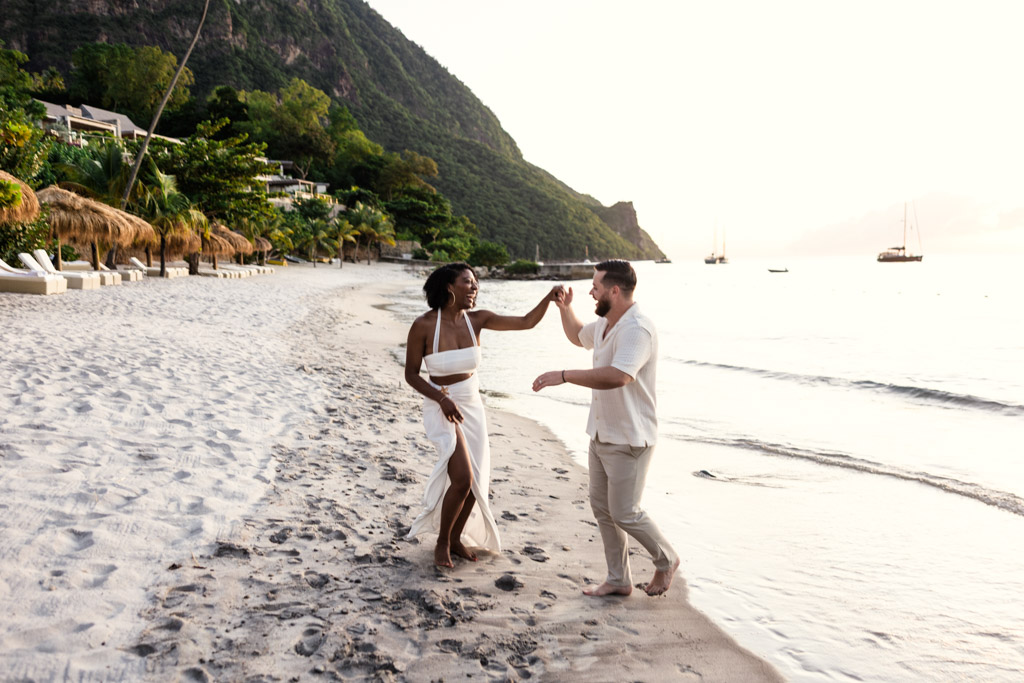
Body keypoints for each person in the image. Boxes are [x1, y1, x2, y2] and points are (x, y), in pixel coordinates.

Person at [532, 259, 679, 596]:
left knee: (625, 512)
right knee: (603, 509)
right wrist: (565, 309)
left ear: (615, 290)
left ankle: (666, 559)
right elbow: (577, 336)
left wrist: (564, 376)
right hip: (600, 434)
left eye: (595, 286)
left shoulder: (637, 328)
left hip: (631, 437)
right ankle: (618, 579)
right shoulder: (604, 323)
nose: (590, 291)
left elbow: (618, 375)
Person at [404, 262, 563, 568]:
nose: (475, 287)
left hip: (471, 405)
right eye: (468, 282)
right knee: (462, 478)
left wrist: (549, 297)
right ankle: (441, 543)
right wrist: (440, 398)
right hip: (442, 405)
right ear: (450, 287)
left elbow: (527, 322)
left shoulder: (478, 320)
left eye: (476, 282)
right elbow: (411, 374)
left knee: (477, 482)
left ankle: (455, 538)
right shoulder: (423, 325)